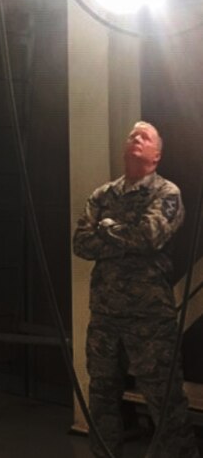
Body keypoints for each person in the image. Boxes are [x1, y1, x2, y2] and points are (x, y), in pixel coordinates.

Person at [73, 120, 200, 458]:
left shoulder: (166, 193)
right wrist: (125, 237)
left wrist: (107, 229)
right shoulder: (103, 195)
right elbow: (81, 243)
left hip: (149, 318)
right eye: (132, 135)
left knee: (164, 400)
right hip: (105, 316)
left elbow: (149, 236)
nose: (136, 138)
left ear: (156, 155)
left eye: (145, 136)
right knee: (102, 396)